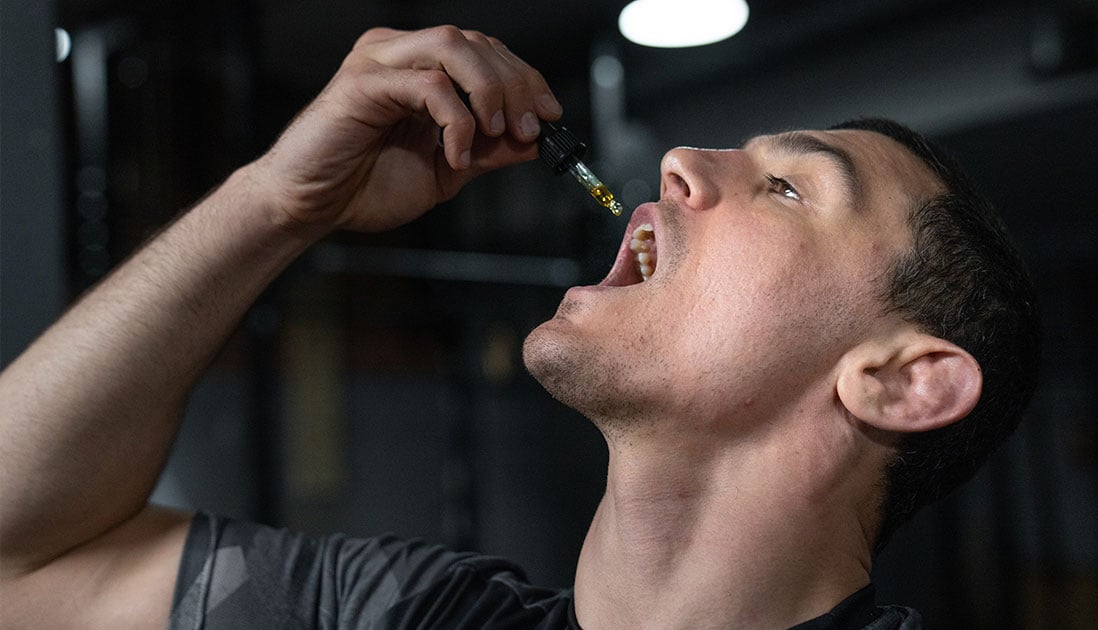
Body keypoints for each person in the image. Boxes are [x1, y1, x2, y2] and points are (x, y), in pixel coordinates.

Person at [0, 25, 1038, 630]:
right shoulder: (406, 616)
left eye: (785, 187)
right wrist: (277, 201)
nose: (682, 160)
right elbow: (20, 559)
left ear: (903, 381)